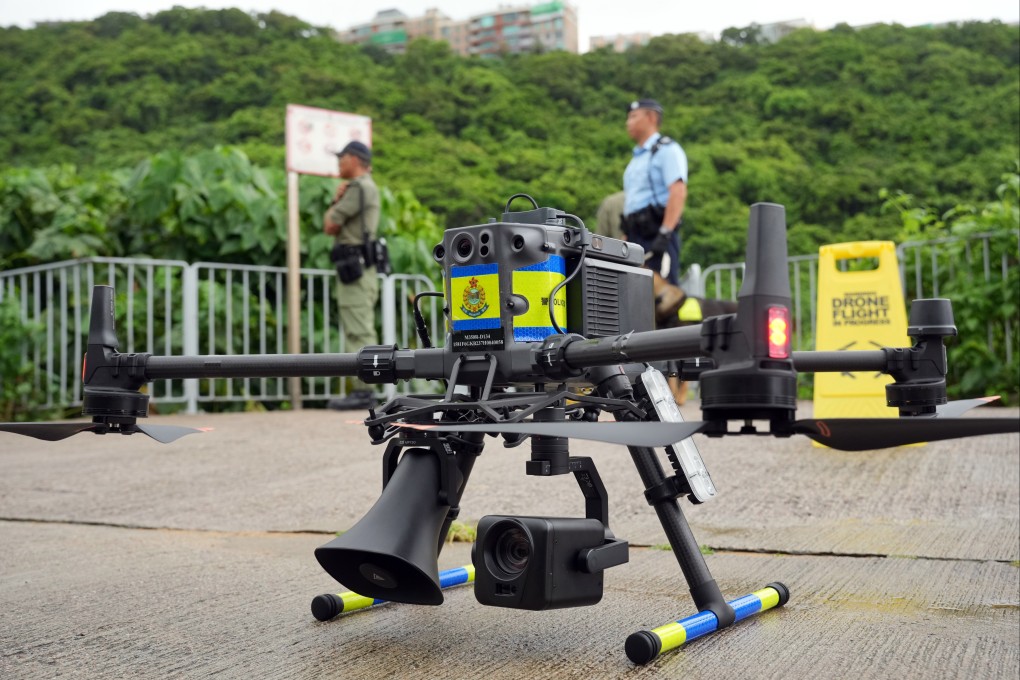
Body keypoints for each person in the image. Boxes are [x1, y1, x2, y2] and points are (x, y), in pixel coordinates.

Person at [323, 140, 381, 411]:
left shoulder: (359, 187)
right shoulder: (365, 187)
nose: (339, 162)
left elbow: (330, 225)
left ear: (355, 159)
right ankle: (363, 389)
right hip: (359, 268)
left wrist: (335, 201)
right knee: (358, 326)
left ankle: (365, 390)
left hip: (355, 268)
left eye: (342, 157)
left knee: (359, 329)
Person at [621, 99, 688, 286]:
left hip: (657, 232)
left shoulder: (667, 150)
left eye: (633, 117)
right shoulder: (636, 159)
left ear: (650, 117)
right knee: (634, 293)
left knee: (663, 295)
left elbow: (678, 191)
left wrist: (665, 233)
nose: (628, 122)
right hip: (635, 234)